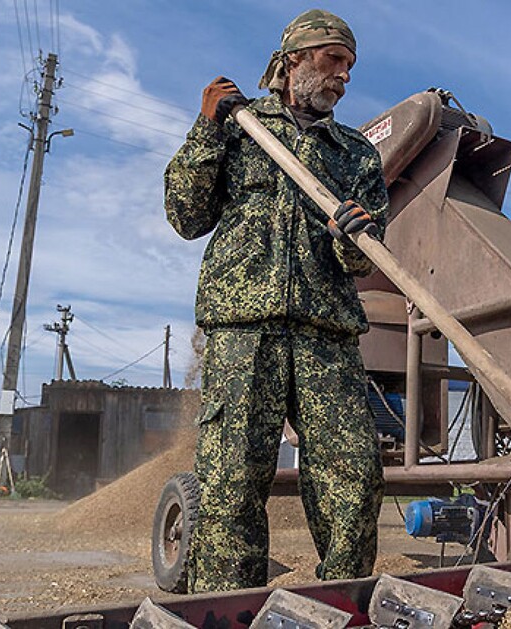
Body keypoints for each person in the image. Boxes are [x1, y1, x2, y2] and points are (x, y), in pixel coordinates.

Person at [164, 8, 387, 593]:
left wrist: (355, 240)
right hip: (243, 326)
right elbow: (185, 217)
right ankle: (225, 605)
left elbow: (367, 261)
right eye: (333, 60)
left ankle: (343, 599)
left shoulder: (356, 155)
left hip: (326, 330)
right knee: (231, 478)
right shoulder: (237, 129)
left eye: (349, 65)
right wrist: (205, 129)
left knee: (355, 475)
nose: (343, 76)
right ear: (295, 60)